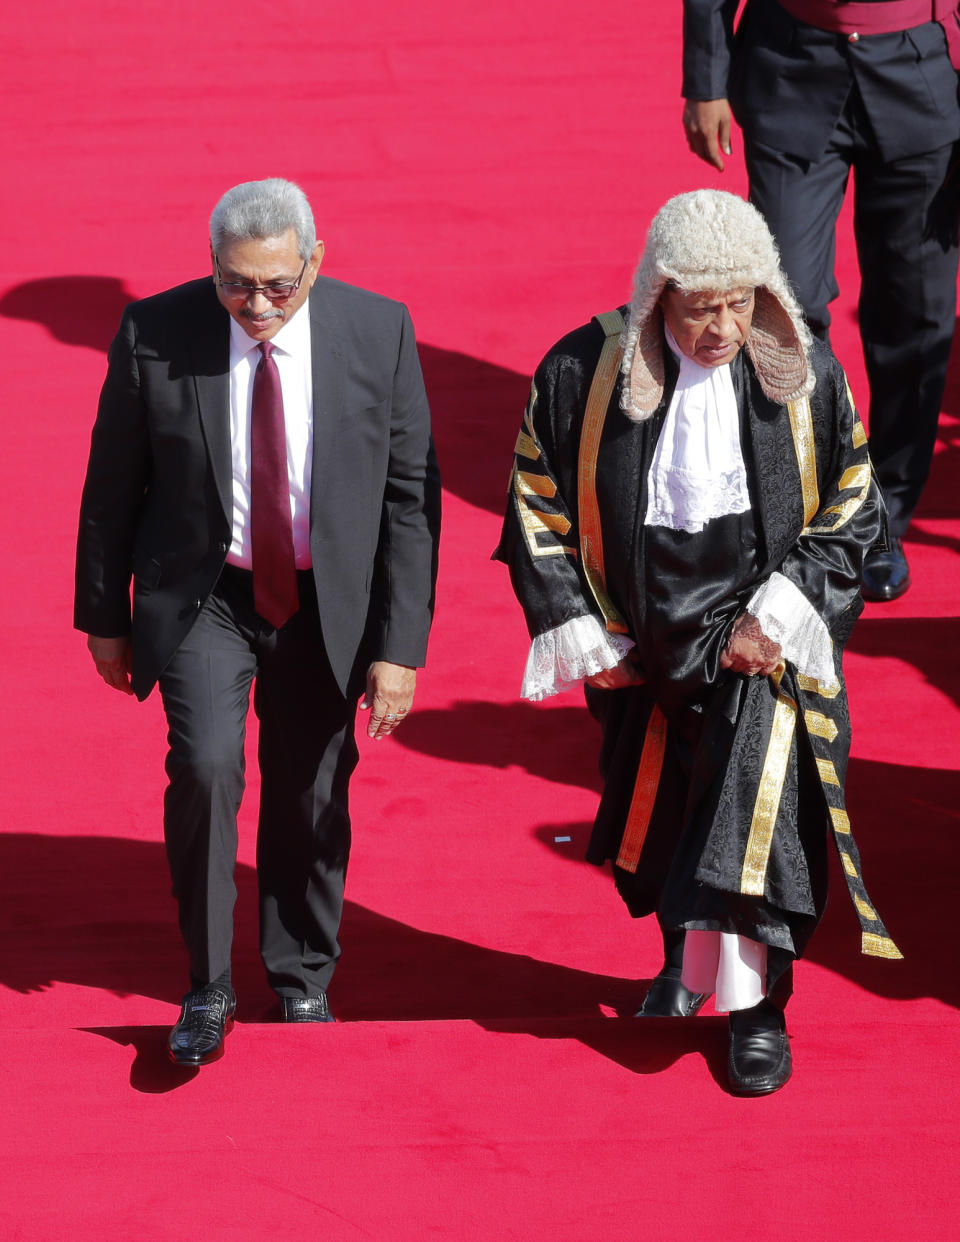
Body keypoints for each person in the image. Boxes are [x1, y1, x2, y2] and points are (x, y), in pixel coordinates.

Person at [496, 189, 900, 1096]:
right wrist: (592, 632)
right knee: (667, 806)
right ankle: (683, 969)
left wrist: (782, 613)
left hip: (763, 620)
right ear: (657, 298)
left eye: (739, 302)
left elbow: (852, 502)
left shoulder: (805, 370)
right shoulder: (580, 370)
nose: (722, 328)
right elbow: (534, 496)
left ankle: (756, 1011)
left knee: (754, 809)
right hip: (646, 620)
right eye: (699, 307)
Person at [75, 178, 440, 1066]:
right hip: (209, 595)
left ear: (315, 261)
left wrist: (400, 649)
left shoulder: (378, 331)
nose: (260, 304)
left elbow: (409, 501)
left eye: (280, 284)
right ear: (212, 268)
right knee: (204, 767)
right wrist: (103, 618)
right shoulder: (154, 334)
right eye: (238, 284)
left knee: (311, 789)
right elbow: (112, 484)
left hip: (328, 602)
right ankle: (208, 986)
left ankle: (303, 977)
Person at [681, 0, 960, 601]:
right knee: (786, 307)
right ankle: (811, 507)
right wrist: (705, 80)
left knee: (914, 317)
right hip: (793, 63)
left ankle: (883, 514)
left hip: (921, 67)